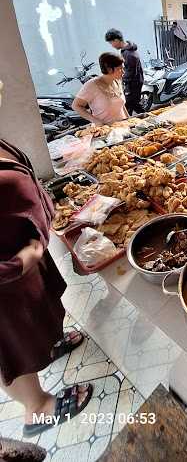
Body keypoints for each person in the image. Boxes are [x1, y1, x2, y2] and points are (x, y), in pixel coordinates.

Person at [0, 80, 93, 437]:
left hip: (26, 260)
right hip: (5, 281)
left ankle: (50, 342)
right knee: (14, 344)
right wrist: (17, 263)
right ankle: (36, 407)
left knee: (40, 318)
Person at [72, 52, 128, 125]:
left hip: (123, 125)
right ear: (109, 69)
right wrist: (95, 121)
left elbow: (121, 105)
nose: (123, 72)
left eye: (123, 68)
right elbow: (76, 106)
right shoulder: (91, 85)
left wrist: (128, 119)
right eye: (119, 69)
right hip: (105, 129)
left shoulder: (117, 81)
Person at [105, 28, 144, 115]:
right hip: (134, 82)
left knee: (129, 106)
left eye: (111, 43)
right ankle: (148, 118)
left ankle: (147, 119)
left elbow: (130, 73)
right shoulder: (127, 51)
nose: (112, 45)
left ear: (116, 40)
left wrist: (119, 80)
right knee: (133, 105)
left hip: (133, 84)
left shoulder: (129, 54)